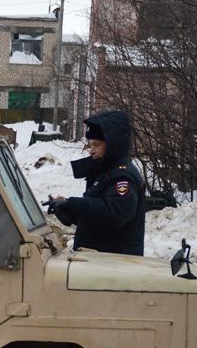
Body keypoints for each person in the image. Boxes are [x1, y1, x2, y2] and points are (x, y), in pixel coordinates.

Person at [47, 109, 146, 256]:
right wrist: (70, 212)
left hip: (113, 264)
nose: (91, 150)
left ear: (113, 144)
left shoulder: (122, 176)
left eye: (96, 144)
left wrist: (72, 204)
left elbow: (114, 214)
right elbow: (98, 216)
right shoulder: (106, 171)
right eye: (90, 145)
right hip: (100, 260)